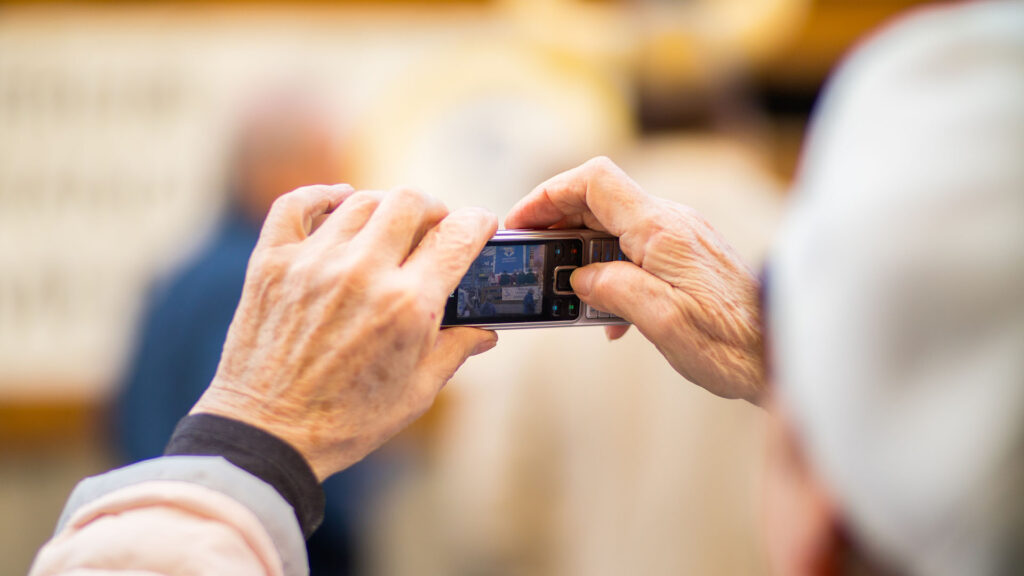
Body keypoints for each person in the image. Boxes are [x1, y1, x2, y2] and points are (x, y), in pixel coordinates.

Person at [30, 2, 1024, 575]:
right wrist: (784, 367)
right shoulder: (789, 264)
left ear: (819, 522)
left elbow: (490, 518)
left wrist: (248, 435)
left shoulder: (182, 280)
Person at [114, 91, 384, 574]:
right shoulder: (267, 286)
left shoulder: (184, 275)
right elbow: (267, 452)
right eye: (332, 165)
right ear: (281, 173)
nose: (351, 189)